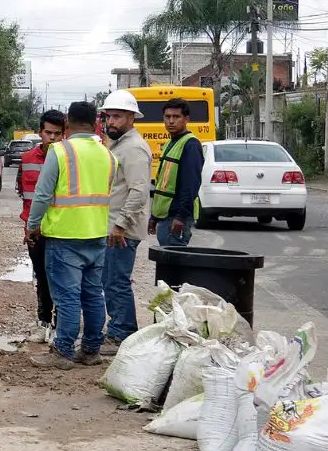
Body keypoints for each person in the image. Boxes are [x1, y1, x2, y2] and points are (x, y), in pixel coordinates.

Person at [26, 101, 117, 369]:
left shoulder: (60, 151)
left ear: (67, 123)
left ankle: (62, 351)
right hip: (96, 234)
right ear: (96, 123)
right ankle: (90, 350)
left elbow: (42, 194)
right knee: (93, 295)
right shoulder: (108, 155)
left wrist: (32, 224)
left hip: (64, 236)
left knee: (67, 297)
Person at [98, 90, 153, 357]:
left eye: (117, 116)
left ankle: (122, 333)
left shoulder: (133, 148)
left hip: (122, 229)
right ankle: (119, 329)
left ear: (131, 118)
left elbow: (139, 191)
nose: (111, 122)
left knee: (116, 282)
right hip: (115, 226)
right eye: (108, 116)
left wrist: (120, 224)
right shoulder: (119, 144)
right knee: (110, 280)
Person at [16, 109, 66, 343]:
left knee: (62, 279)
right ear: (40, 133)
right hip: (35, 231)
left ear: (64, 134)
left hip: (61, 229)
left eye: (57, 133)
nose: (52, 138)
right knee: (42, 278)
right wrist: (30, 225)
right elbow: (26, 195)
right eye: (48, 133)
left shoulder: (68, 159)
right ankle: (43, 322)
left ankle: (60, 326)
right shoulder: (27, 159)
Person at [149, 99, 204, 247]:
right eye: (167, 117)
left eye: (176, 117)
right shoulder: (170, 143)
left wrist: (181, 217)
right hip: (165, 216)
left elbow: (191, 185)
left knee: (173, 259)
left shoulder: (190, 145)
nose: (171, 121)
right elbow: (162, 184)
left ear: (186, 119)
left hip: (176, 218)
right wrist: (154, 216)